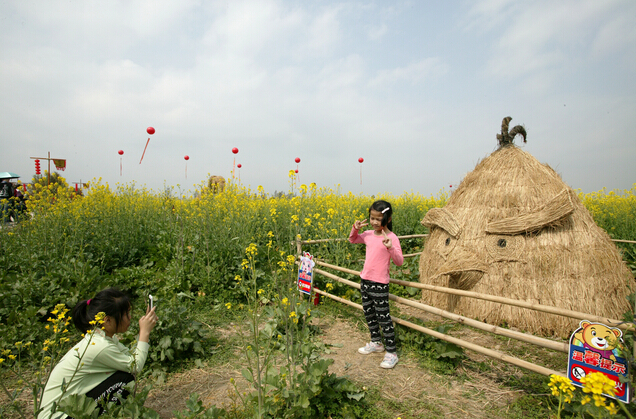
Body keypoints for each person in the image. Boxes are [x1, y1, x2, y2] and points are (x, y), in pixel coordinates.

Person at [38, 288, 158, 419]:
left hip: (65, 411)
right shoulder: (100, 346)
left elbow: (130, 358)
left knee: (123, 375)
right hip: (58, 416)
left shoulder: (103, 337)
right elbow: (135, 366)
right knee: (125, 379)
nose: (130, 318)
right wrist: (144, 333)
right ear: (107, 320)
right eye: (126, 314)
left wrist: (144, 332)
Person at [349, 200, 403, 369]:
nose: (374, 222)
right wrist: (355, 228)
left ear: (388, 218)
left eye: (378, 219)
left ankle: (392, 352)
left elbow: (399, 262)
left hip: (379, 284)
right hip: (365, 281)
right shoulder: (369, 234)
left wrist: (390, 248)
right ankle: (376, 342)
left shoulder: (392, 238)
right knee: (369, 314)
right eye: (372, 218)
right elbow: (353, 239)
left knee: (383, 317)